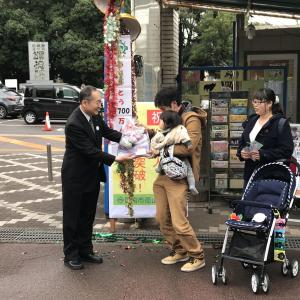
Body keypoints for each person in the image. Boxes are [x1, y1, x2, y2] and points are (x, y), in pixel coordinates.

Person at [61, 85, 133, 270]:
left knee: (87, 215)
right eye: (97, 102)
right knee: (73, 216)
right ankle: (71, 254)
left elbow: (106, 132)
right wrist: (116, 158)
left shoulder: (94, 116)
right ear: (85, 103)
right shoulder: (74, 123)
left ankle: (85, 250)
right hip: (75, 177)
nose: (100, 105)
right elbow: (89, 151)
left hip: (91, 174)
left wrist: (124, 139)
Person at [150, 87, 207, 272]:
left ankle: (197, 256)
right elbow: (163, 136)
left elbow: (189, 147)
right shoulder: (170, 119)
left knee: (179, 222)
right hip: (164, 173)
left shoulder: (192, 119)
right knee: (161, 218)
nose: (162, 113)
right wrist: (148, 134)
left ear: (175, 104)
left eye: (164, 109)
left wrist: (161, 148)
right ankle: (179, 250)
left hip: (181, 175)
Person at [237, 88, 294, 185]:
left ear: (269, 103)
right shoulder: (251, 120)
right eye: (254, 101)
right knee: (248, 200)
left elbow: (287, 150)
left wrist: (263, 154)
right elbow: (242, 143)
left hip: (271, 176)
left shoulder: (280, 123)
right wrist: (242, 153)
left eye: (259, 102)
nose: (255, 105)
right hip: (250, 175)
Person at [150, 110, 198, 195]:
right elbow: (156, 141)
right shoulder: (162, 132)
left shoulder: (178, 130)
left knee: (189, 169)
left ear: (167, 122)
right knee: (162, 159)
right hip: (167, 155)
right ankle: (159, 168)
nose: (159, 122)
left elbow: (184, 137)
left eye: (160, 120)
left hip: (180, 157)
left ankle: (192, 185)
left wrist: (188, 144)